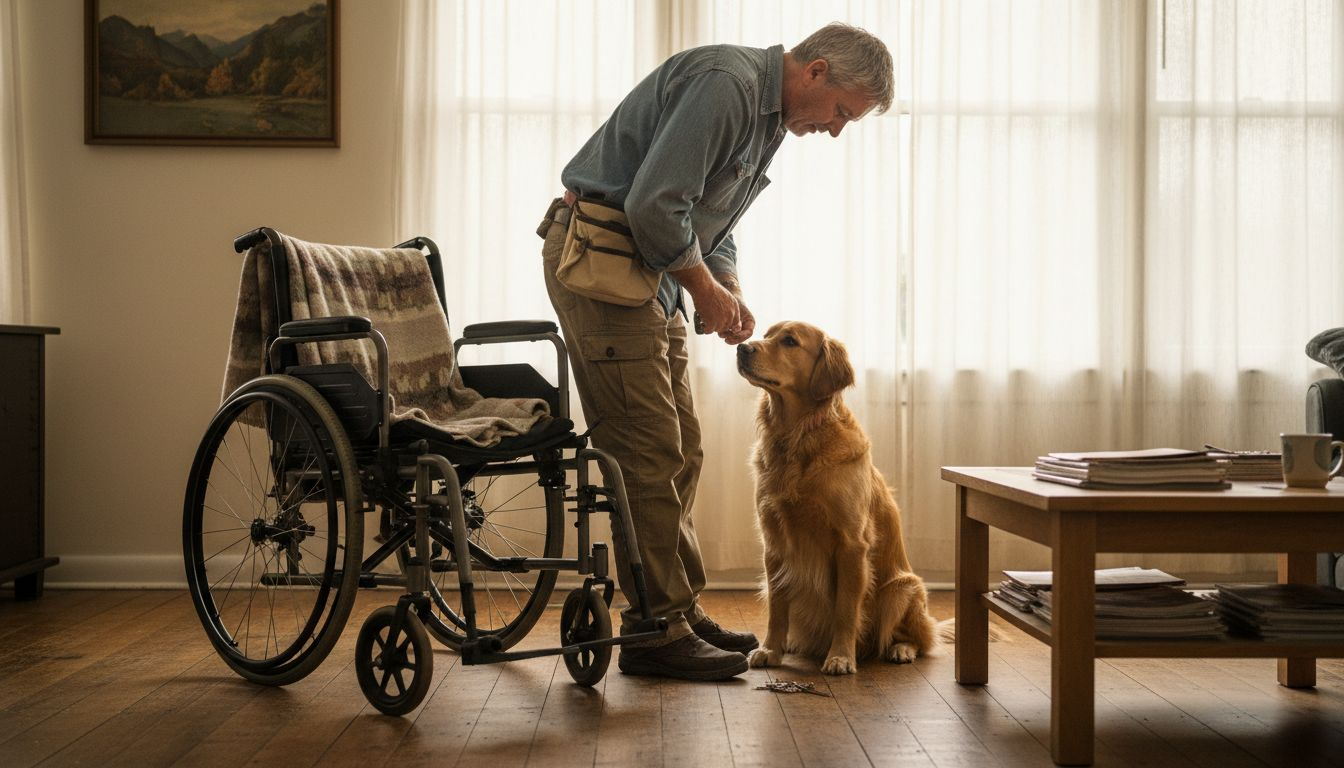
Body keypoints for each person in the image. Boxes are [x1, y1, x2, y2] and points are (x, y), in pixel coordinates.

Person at [537, 22, 894, 681]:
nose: (837, 129)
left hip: (654, 281)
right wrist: (701, 285)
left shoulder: (768, 121)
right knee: (646, 450)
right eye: (842, 111)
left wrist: (724, 284)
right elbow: (653, 203)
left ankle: (679, 607)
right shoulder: (728, 86)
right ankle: (654, 629)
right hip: (608, 264)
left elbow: (708, 218)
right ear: (816, 71)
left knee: (683, 446)